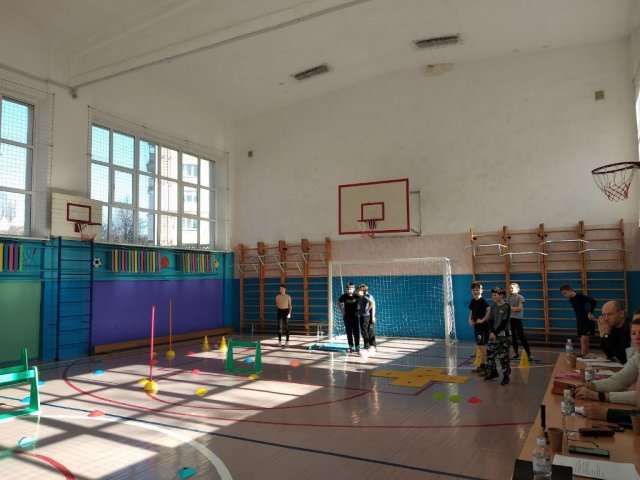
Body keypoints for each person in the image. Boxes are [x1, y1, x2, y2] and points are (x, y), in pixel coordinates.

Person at [575, 316, 640, 405]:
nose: (637, 337)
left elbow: (638, 397)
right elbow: (619, 381)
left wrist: (599, 396)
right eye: (633, 333)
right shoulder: (637, 356)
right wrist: (590, 386)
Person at [484, 287, 512, 385]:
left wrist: (495, 333)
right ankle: (493, 372)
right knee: (489, 353)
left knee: (502, 356)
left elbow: (504, 322)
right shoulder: (493, 307)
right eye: (492, 295)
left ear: (501, 296)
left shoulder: (506, 307)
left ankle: (506, 377)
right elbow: (490, 320)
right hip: (494, 335)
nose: (493, 297)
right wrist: (492, 332)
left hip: (504, 336)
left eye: (495, 295)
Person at [559, 284, 597, 356]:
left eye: (565, 293)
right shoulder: (570, 299)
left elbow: (593, 302)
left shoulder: (580, 296)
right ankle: (585, 355)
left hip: (587, 320)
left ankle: (584, 355)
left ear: (569, 290)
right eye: (563, 294)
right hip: (579, 321)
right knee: (582, 340)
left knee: (584, 339)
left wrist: (590, 312)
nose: (564, 295)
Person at [508, 283, 533, 361]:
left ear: (518, 289)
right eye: (510, 288)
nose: (511, 290)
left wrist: (511, 308)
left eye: (512, 288)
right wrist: (512, 309)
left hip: (517, 319)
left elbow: (520, 308)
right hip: (511, 319)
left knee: (521, 336)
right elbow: (507, 308)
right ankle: (516, 353)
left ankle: (529, 354)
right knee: (513, 337)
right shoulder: (509, 298)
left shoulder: (520, 297)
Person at [468, 282, 490, 375]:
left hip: (483, 327)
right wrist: (470, 320)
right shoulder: (473, 301)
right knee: (479, 346)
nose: (475, 291)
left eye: (477, 290)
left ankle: (487, 366)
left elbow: (489, 310)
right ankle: (483, 365)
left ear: (481, 290)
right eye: (474, 290)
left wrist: (483, 320)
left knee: (482, 346)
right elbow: (471, 311)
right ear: (471, 291)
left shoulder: (482, 301)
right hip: (477, 327)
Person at [336, 282, 360, 353]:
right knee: (349, 332)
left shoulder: (357, 296)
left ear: (354, 289)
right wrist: (341, 310)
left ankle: (357, 346)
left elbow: (362, 303)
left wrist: (359, 311)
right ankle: (350, 346)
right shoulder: (344, 296)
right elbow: (337, 302)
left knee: (356, 332)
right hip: (347, 317)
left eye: (351, 289)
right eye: (348, 289)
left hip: (355, 316)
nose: (349, 290)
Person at [357, 283, 376, 356]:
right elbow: (360, 306)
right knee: (365, 332)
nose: (358, 291)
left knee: (367, 332)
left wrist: (372, 316)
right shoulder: (360, 297)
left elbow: (373, 304)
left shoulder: (367, 296)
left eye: (360, 290)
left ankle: (368, 347)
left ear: (363, 290)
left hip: (367, 316)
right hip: (362, 316)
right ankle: (370, 346)